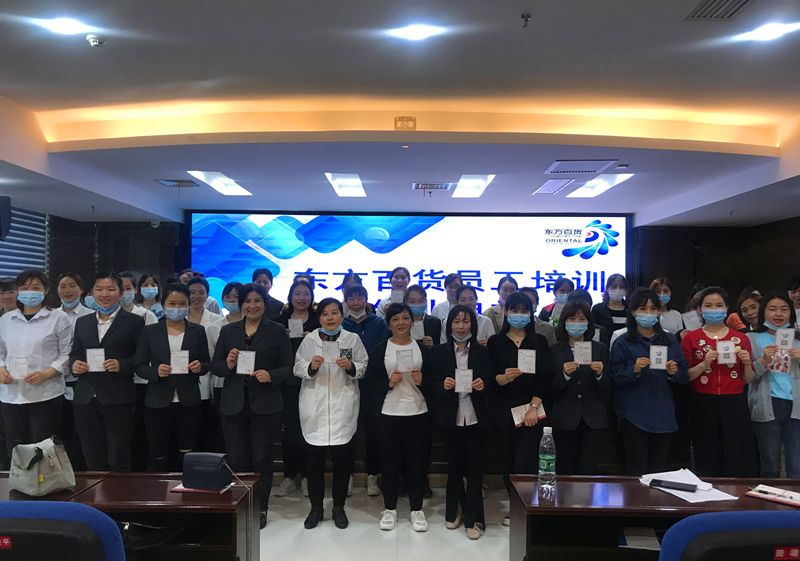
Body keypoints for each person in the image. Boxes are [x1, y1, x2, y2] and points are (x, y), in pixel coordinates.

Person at [211, 283, 293, 528]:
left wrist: (271, 375)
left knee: (262, 460)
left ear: (265, 304)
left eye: (257, 300)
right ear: (241, 304)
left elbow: (288, 368)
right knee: (237, 459)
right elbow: (216, 367)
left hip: (265, 404)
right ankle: (240, 506)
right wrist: (228, 363)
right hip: (233, 404)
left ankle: (260, 508)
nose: (252, 305)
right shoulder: (228, 331)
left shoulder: (277, 331)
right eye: (247, 301)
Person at [293, 298, 368, 530]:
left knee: (342, 465)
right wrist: (311, 366)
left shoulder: (352, 339)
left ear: (341, 315)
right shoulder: (309, 340)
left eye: (334, 313)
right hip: (314, 408)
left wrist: (351, 366)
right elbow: (297, 366)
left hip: (342, 407)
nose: (330, 318)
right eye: (325, 314)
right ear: (319, 318)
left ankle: (338, 508)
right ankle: (316, 509)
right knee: (314, 466)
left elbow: (363, 365)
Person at [487, 292, 553, 526]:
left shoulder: (539, 341)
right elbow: (490, 378)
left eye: (524, 311)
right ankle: (514, 505)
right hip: (503, 410)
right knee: (506, 459)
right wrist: (504, 378)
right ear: (506, 312)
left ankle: (525, 506)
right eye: (514, 310)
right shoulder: (495, 342)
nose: (519, 315)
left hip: (532, 410)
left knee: (525, 460)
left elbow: (546, 376)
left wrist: (534, 407)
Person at [364, 303, 431, 533]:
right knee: (389, 463)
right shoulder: (380, 349)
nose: (401, 323)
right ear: (388, 324)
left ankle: (416, 509)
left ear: (412, 321)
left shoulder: (422, 349)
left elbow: (436, 381)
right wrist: (387, 383)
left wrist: (423, 381)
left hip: (418, 412)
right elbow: (368, 384)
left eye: (405, 318)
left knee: (417, 463)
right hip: (388, 413)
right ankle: (390, 508)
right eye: (395, 319)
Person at [69, 271, 145, 472]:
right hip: (85, 397)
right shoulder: (83, 322)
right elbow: (75, 353)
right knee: (91, 454)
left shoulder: (135, 322)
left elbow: (141, 359)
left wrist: (122, 365)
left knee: (118, 455)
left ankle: (118, 492)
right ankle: (95, 492)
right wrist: (75, 365)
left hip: (118, 398)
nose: (104, 294)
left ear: (120, 292)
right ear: (92, 292)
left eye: (110, 289)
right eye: (99, 289)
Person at [680, 286, 758, 477]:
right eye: (709, 305)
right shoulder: (691, 338)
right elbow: (686, 376)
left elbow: (748, 378)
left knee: (735, 452)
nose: (714, 309)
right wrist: (704, 363)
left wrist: (747, 363)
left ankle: (733, 492)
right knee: (705, 452)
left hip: (734, 402)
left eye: (719, 305)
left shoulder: (740, 338)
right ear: (700, 309)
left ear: (726, 308)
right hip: (703, 401)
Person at [610, 288, 688, 476]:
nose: (649, 313)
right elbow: (614, 376)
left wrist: (674, 372)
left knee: (658, 469)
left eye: (653, 309)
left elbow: (684, 375)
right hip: (634, 415)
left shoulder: (669, 340)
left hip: (663, 414)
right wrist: (634, 369)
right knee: (637, 468)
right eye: (643, 309)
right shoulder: (623, 341)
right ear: (633, 311)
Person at [134, 283, 210, 471]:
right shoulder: (150, 331)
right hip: (158, 401)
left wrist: (199, 367)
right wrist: (155, 372)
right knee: (158, 452)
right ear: (163, 304)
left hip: (188, 400)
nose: (177, 308)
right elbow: (139, 366)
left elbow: (206, 364)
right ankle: (158, 487)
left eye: (182, 304)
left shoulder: (198, 331)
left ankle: (187, 485)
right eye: (172, 303)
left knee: (187, 450)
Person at [431, 304, 490, 540]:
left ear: (473, 325)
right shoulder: (439, 352)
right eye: (456, 322)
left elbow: (492, 382)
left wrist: (484, 385)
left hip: (476, 417)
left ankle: (473, 518)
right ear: (449, 326)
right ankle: (452, 511)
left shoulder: (483, 352)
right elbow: (430, 384)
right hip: (450, 418)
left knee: (475, 469)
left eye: (465, 322)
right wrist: (442, 385)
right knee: (454, 467)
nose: (461, 326)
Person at [0, 270, 71, 459]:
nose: (29, 292)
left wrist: (47, 373)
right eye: (24, 288)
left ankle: (44, 479)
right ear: (18, 291)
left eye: (36, 287)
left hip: (45, 394)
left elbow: (66, 354)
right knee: (15, 450)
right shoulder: (6, 320)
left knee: (44, 450)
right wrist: (1, 369)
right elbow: (1, 352)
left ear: (46, 290)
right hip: (11, 395)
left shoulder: (58, 318)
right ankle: (17, 478)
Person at [549, 301, 611, 475]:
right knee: (565, 469)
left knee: (588, 469)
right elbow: (550, 389)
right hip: (564, 419)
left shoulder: (600, 349)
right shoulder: (554, 350)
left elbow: (608, 388)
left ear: (589, 323)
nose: (577, 323)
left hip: (593, 419)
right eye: (572, 319)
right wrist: (564, 375)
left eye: (582, 319)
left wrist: (600, 374)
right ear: (564, 322)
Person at [342, 284, 390, 497]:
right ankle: (348, 476)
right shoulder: (341, 324)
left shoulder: (378, 323)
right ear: (346, 301)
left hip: (372, 385)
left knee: (373, 432)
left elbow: (382, 351)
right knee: (347, 432)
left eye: (359, 297)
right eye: (351, 298)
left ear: (366, 299)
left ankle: (372, 475)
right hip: (346, 383)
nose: (355, 302)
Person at [273, 280, 319, 498]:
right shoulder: (280, 321)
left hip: (313, 382)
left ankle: (309, 476)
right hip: (288, 384)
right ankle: (290, 476)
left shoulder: (319, 321)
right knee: (289, 431)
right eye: (297, 293)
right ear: (290, 296)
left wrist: (314, 338)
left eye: (306, 293)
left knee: (310, 429)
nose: (302, 298)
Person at [747, 293, 800, 478]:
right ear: (763, 313)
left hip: (796, 406)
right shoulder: (751, 339)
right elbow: (748, 377)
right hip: (767, 403)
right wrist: (763, 360)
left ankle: (795, 497)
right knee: (770, 461)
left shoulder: (798, 340)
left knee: (796, 462)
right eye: (772, 309)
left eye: (784, 309)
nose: (778, 314)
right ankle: (768, 496)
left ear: (791, 313)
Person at [120, 271, 158, 471]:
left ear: (135, 290)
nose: (124, 292)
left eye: (128, 288)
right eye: (120, 288)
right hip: (117, 381)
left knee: (140, 429)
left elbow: (153, 348)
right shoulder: (108, 317)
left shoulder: (146, 315)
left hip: (141, 381)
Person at [56, 272, 93, 469]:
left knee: (82, 430)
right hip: (56, 381)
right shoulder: (52, 315)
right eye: (63, 286)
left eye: (72, 285)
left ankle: (81, 469)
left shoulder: (91, 315)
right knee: (62, 430)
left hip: (83, 381)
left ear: (81, 290)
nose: (67, 290)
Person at [186, 277, 224, 453]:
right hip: (183, 380)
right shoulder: (178, 318)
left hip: (209, 378)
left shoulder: (217, 320)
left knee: (207, 427)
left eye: (201, 292)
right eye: (192, 292)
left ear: (207, 294)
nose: (196, 296)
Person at [205, 281, 244, 452]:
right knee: (225, 430)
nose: (232, 300)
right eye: (228, 296)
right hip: (221, 384)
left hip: (247, 382)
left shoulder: (253, 325)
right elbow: (212, 360)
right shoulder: (214, 327)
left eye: (237, 296)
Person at [405, 284, 441, 350]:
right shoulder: (401, 323)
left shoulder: (435, 322)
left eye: (420, 301)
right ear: (405, 302)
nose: (416, 304)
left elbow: (440, 348)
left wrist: (432, 346)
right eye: (412, 301)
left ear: (426, 301)